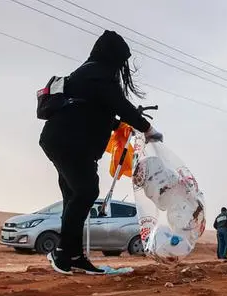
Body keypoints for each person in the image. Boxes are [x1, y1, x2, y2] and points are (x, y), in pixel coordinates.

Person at [39, 30, 163, 275]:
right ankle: (63, 252)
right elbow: (120, 105)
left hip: (67, 142)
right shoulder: (97, 74)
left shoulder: (88, 75)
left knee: (74, 195)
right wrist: (147, 129)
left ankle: (74, 255)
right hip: (67, 142)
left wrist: (118, 126)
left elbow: (94, 111)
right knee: (86, 190)